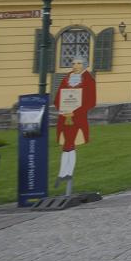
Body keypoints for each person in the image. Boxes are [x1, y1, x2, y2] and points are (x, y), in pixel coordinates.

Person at [53, 58, 96, 194]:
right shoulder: (67, 78)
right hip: (65, 117)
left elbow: (90, 101)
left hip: (78, 118)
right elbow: (58, 97)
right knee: (66, 146)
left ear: (84, 65)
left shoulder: (88, 79)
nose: (75, 66)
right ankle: (63, 174)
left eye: (78, 63)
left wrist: (75, 111)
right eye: (73, 63)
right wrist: (63, 109)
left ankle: (67, 173)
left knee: (71, 145)